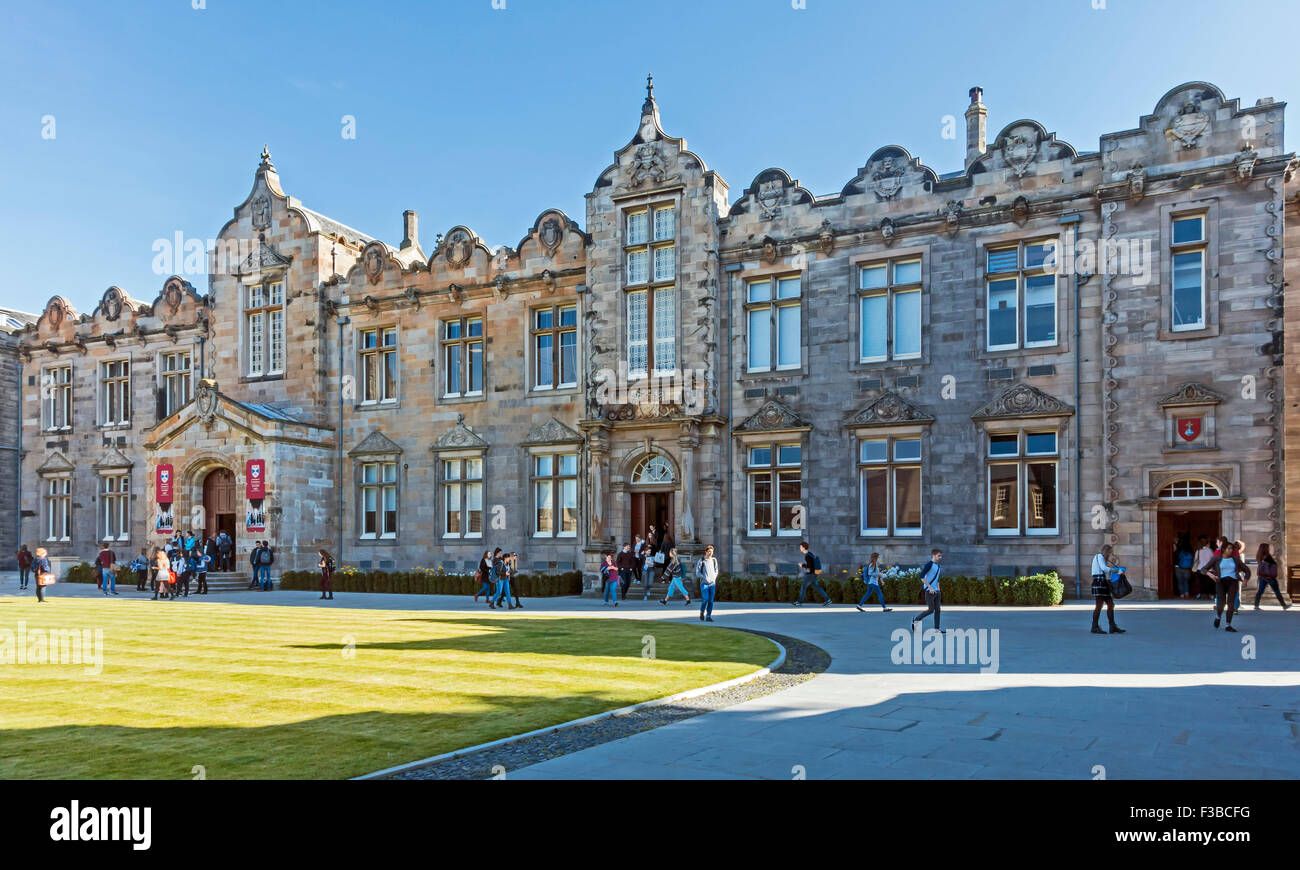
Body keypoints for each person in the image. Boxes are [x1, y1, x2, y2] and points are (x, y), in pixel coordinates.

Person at [1207, 542, 1245, 632]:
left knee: (1231, 604)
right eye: (1229, 548)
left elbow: (1246, 569)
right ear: (1223, 549)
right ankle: (1218, 616)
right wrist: (1211, 575)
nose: (1231, 550)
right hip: (1221, 582)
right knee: (1221, 604)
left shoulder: (1235, 559)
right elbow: (1204, 569)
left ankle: (1228, 625)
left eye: (1232, 548)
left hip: (1233, 582)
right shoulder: (1217, 559)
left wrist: (1245, 580)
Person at [1089, 544, 1125, 634]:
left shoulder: (1101, 558)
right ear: (1106, 551)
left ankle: (1112, 626)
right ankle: (1094, 626)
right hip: (1099, 582)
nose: (1110, 554)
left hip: (1102, 582)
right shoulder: (1099, 556)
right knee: (1099, 605)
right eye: (1109, 552)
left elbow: (1104, 571)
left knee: (1110, 604)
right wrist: (1117, 571)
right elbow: (1104, 569)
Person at [912, 548, 945, 632]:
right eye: (939, 556)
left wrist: (939, 589)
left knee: (938, 610)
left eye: (941, 556)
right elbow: (921, 577)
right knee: (931, 610)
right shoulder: (929, 564)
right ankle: (916, 619)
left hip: (936, 592)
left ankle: (937, 629)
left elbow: (937, 579)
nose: (940, 557)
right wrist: (930, 588)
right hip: (929, 591)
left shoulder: (938, 566)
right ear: (933, 555)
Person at [793, 542, 831, 606]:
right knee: (817, 587)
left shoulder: (807, 556)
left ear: (804, 547)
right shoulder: (810, 554)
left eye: (800, 547)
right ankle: (828, 600)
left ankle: (799, 602)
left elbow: (809, 567)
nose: (800, 548)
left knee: (803, 587)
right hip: (815, 573)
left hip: (811, 574)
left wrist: (802, 565)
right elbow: (811, 565)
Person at [1253, 543, 1289, 610]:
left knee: (1260, 591)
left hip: (1262, 576)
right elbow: (1273, 564)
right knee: (1276, 591)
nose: (1269, 549)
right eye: (1268, 547)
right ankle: (1284, 605)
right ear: (1266, 548)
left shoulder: (1259, 556)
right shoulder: (1267, 556)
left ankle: (1256, 605)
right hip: (1270, 577)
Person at [696, 545, 718, 622]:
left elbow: (716, 571)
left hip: (712, 584)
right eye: (709, 551)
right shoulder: (701, 561)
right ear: (706, 551)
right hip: (704, 584)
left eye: (712, 552)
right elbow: (697, 572)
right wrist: (704, 577)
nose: (710, 553)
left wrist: (714, 578)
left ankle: (708, 616)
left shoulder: (714, 560)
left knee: (711, 601)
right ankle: (702, 612)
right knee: (705, 599)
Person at [1193, 536, 1215, 600]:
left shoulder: (1198, 551)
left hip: (1200, 569)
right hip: (1209, 569)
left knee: (1201, 583)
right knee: (1209, 583)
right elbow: (1213, 559)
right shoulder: (1210, 551)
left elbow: (1195, 560)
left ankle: (1201, 594)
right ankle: (1210, 595)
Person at [1173, 534, 1194, 600]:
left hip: (1178, 567)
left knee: (1180, 581)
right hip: (1187, 567)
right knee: (1186, 581)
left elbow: (1175, 555)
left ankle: (1182, 595)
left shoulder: (1178, 547)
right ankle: (1186, 593)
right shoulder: (1189, 547)